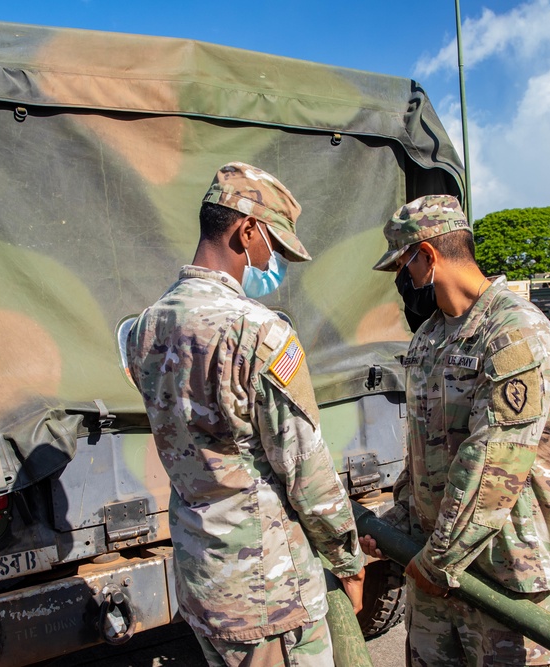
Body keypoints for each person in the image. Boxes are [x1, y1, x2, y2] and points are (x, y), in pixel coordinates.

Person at [126, 162, 365, 667]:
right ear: (246, 229)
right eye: (270, 244)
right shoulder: (259, 331)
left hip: (202, 577)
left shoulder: (145, 327)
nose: (270, 258)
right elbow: (306, 468)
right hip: (269, 592)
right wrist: (348, 559)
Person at [362, 194, 550, 666]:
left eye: (405, 265)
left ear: (428, 255)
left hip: (501, 573)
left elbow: (494, 466)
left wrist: (437, 560)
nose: (405, 279)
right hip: (432, 568)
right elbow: (422, 450)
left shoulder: (514, 333)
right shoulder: (431, 336)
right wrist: (398, 522)